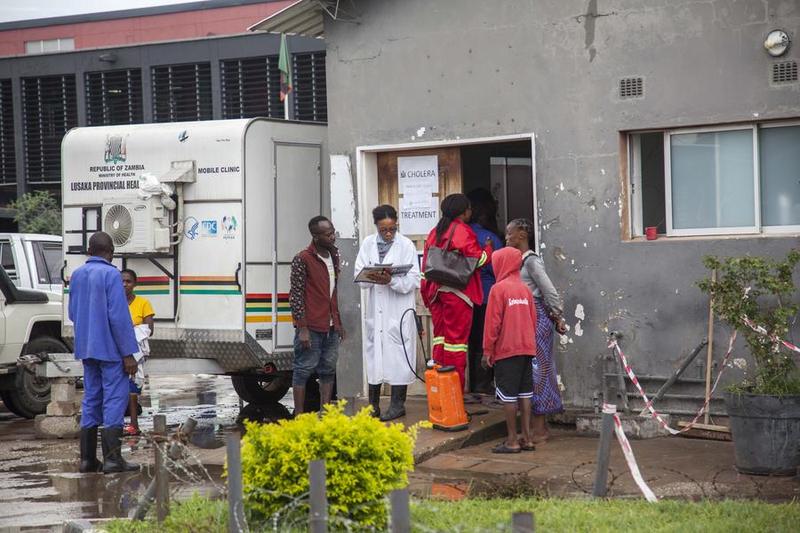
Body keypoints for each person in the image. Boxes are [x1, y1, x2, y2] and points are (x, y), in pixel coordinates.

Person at [69, 232, 140, 474]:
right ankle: (112, 460)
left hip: (86, 348)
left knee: (91, 399)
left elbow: (72, 313)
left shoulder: (77, 275)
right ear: (110, 251)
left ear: (90, 250)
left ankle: (87, 460)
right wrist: (129, 354)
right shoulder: (111, 274)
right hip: (110, 350)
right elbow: (119, 318)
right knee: (114, 400)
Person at [354, 205, 421, 421]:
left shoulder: (406, 245)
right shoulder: (368, 244)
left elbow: (414, 279)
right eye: (384, 230)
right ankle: (373, 405)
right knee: (375, 358)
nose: (389, 233)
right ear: (376, 227)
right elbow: (358, 275)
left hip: (398, 310)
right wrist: (373, 276)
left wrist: (391, 280)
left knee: (398, 357)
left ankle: (397, 405)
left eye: (392, 228)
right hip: (377, 312)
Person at [421, 193, 493, 391]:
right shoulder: (462, 231)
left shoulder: (434, 232)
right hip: (457, 295)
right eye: (469, 208)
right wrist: (488, 250)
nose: (471, 212)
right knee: (456, 345)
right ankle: (454, 394)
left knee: (440, 342)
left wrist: (426, 297)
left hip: (436, 293)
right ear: (463, 212)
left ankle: (440, 391)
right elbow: (476, 260)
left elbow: (424, 268)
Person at [505, 218, 567, 443]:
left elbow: (548, 291)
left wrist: (557, 315)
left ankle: (539, 429)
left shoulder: (531, 261)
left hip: (537, 320)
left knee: (538, 373)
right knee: (531, 373)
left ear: (521, 235)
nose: (507, 238)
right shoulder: (517, 262)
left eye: (509, 234)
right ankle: (534, 428)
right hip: (527, 320)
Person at [482, 247, 537, 453]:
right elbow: (533, 319)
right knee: (525, 393)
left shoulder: (498, 289)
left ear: (501, 264)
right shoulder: (525, 289)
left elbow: (492, 324)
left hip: (507, 349)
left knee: (508, 396)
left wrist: (488, 350)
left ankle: (512, 441)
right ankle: (527, 438)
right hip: (527, 348)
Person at [289, 216, 344, 415]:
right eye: (328, 234)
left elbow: (333, 292)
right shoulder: (302, 258)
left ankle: (325, 412)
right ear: (315, 236)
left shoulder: (334, 254)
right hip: (311, 326)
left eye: (333, 232)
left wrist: (338, 322)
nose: (333, 237)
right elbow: (296, 295)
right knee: (303, 369)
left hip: (331, 325)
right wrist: (301, 327)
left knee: (328, 370)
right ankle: (300, 415)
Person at [466, 188, 504, 395]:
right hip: (487, 297)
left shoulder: (460, 234)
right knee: (485, 339)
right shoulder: (489, 238)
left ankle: (468, 384)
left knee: (469, 340)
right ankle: (482, 385)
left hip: (465, 297)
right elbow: (499, 268)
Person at [121, 269, 155, 436]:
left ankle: (134, 424)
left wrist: (131, 332)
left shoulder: (143, 303)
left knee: (132, 387)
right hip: (117, 348)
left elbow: (149, 329)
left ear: (135, 284)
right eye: (122, 281)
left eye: (128, 281)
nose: (125, 285)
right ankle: (116, 424)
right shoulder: (115, 302)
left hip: (136, 351)